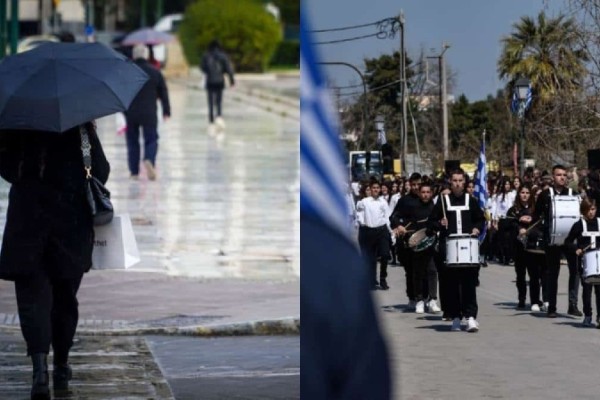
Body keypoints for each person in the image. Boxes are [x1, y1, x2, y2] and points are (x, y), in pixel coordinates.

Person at [0, 122, 110, 399]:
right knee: (64, 298)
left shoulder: (17, 124)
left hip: (27, 222)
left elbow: (8, 170)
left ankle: (40, 370)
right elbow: (101, 170)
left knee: (31, 299)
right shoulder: (81, 127)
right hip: (70, 223)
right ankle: (61, 364)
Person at [426, 169, 485, 332]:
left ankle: (471, 317)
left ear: (464, 182)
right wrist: (439, 224)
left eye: (460, 180)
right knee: (451, 285)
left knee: (469, 284)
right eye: (455, 180)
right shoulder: (443, 202)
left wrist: (476, 228)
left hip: (467, 248)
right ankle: (456, 317)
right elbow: (430, 224)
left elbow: (480, 220)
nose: (458, 183)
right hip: (449, 249)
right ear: (450, 183)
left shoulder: (470, 200)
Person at [533, 164, 582, 318]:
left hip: (570, 240)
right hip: (552, 239)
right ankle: (552, 307)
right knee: (552, 273)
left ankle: (572, 305)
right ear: (553, 177)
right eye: (559, 175)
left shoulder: (573, 194)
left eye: (564, 175)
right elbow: (537, 216)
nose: (562, 177)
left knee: (575, 272)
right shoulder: (545, 195)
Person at [125, 44, 171, 181]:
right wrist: (166, 110)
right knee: (151, 139)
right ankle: (149, 159)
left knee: (132, 142)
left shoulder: (127, 72)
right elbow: (163, 91)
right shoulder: (155, 71)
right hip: (149, 112)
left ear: (134, 56)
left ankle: (134, 172)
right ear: (146, 56)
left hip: (131, 112)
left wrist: (121, 111)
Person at [508, 184, 545, 311]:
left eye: (527, 193)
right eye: (522, 192)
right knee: (520, 275)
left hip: (532, 247)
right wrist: (519, 227)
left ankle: (535, 300)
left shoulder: (535, 210)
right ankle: (522, 299)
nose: (525, 195)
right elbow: (510, 224)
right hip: (518, 246)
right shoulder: (513, 210)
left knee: (534, 275)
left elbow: (539, 223)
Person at [564, 198, 600, 327]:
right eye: (589, 209)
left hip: (599, 261)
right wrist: (576, 249)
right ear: (584, 210)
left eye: (593, 209)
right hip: (586, 263)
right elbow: (567, 241)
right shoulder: (579, 224)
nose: (591, 212)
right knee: (587, 291)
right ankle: (588, 315)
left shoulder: (599, 222)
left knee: (599, 291)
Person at [356, 180, 395, 290]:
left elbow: (386, 217)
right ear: (370, 189)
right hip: (369, 231)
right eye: (374, 188)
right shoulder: (364, 202)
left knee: (384, 254)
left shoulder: (383, 202)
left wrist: (391, 232)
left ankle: (383, 278)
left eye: (378, 187)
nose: (376, 190)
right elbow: (359, 216)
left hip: (381, 230)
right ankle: (372, 279)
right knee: (371, 258)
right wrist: (362, 225)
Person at [200, 39, 235, 134]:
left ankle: (211, 120)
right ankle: (219, 116)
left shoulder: (206, 55)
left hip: (210, 81)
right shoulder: (223, 56)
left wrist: (208, 71)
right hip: (220, 80)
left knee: (210, 101)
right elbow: (228, 68)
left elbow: (202, 68)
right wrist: (232, 81)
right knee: (219, 101)